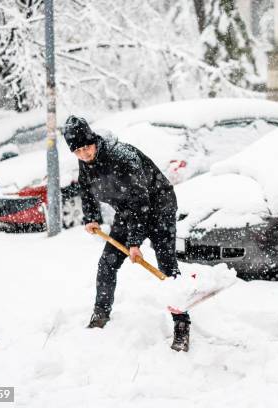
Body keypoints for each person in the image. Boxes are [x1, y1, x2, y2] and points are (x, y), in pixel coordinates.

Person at [62, 115, 190, 352]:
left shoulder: (122, 157)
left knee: (166, 266)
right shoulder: (85, 161)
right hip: (128, 211)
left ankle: (181, 324)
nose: (84, 154)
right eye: (77, 151)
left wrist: (134, 242)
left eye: (87, 147)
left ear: (94, 141)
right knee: (107, 262)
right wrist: (91, 217)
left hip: (159, 207)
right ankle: (100, 315)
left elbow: (141, 200)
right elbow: (86, 189)